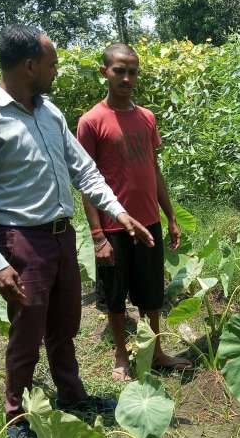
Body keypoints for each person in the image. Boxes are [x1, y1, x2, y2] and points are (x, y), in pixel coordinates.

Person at [0, 25, 154, 438]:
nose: (56, 71)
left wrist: (118, 212)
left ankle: (72, 397)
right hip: (22, 241)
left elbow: (84, 170)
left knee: (65, 325)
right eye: (52, 64)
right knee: (27, 332)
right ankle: (18, 419)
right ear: (30, 66)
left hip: (63, 237)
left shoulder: (49, 113)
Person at [77, 43, 191, 381]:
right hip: (113, 227)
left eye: (132, 72)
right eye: (119, 71)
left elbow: (154, 170)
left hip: (149, 221)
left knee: (152, 293)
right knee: (115, 296)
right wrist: (97, 236)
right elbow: (86, 182)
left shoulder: (146, 118)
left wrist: (170, 216)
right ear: (105, 72)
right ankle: (121, 356)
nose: (126, 78)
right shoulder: (91, 121)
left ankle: (155, 351)